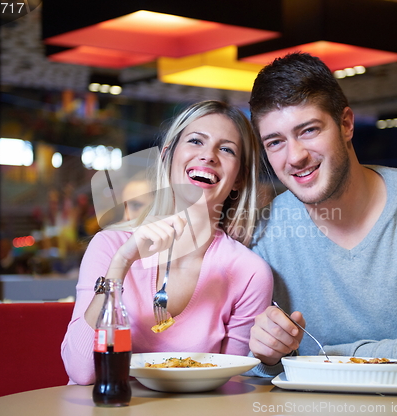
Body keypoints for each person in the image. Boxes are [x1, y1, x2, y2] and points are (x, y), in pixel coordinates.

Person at [246, 53, 397, 387]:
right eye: (275, 142)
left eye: (309, 130)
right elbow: (251, 366)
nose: (295, 156)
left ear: (346, 124)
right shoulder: (265, 232)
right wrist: (268, 355)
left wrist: (320, 360)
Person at [61, 100, 273, 385]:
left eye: (226, 149)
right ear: (167, 157)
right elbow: (83, 371)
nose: (208, 156)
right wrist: (121, 265)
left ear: (238, 179)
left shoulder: (249, 272)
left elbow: (233, 386)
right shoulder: (110, 247)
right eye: (196, 141)